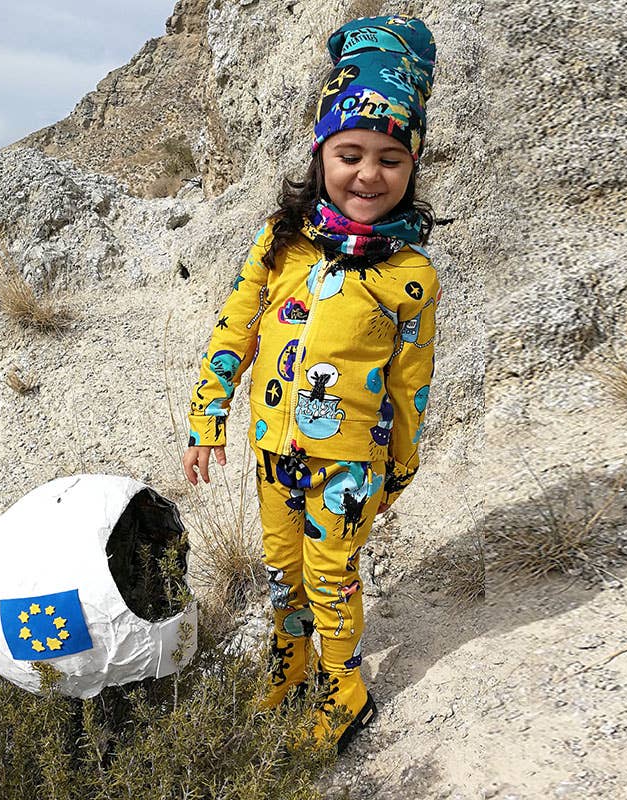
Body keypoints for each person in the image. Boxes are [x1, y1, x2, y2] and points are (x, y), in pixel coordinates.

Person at [182, 14, 440, 754]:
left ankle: (345, 690)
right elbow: (235, 329)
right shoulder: (281, 241)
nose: (368, 174)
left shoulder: (410, 275)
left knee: (331, 577)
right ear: (321, 152)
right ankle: (289, 664)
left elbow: (411, 386)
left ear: (412, 166)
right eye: (350, 153)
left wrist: (399, 468)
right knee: (282, 569)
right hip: (273, 452)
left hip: (349, 465)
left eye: (391, 158)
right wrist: (207, 417)